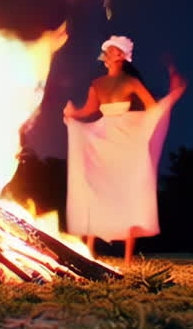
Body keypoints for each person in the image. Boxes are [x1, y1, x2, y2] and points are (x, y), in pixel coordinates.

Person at [64, 36, 186, 266]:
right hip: (103, 136)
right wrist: (73, 114)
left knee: (127, 187)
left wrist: (170, 97)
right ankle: (90, 250)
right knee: (96, 184)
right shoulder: (97, 83)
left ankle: (128, 257)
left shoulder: (131, 81)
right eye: (106, 52)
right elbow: (89, 110)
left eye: (111, 51)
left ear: (121, 55)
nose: (107, 55)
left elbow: (152, 108)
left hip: (127, 138)